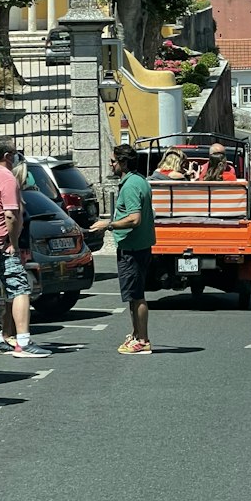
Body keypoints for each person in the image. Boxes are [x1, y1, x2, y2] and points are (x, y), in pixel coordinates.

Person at [0, 136, 50, 358]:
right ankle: (23, 342)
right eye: (15, 153)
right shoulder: (7, 178)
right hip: (4, 242)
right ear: (8, 156)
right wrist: (14, 243)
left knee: (3, 293)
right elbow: (11, 213)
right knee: (20, 290)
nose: (18, 157)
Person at [107, 144, 156, 356]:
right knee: (133, 295)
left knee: (136, 296)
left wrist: (108, 224)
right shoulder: (139, 181)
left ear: (124, 162)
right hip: (139, 246)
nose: (111, 164)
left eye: (113, 161)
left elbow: (134, 219)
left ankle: (142, 340)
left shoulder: (130, 186)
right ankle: (136, 334)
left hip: (132, 249)